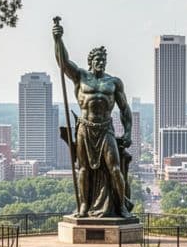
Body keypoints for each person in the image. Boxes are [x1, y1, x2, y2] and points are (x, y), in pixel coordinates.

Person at [53, 17, 134, 219]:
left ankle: (121, 206)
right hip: (85, 128)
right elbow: (63, 63)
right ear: (91, 62)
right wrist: (58, 39)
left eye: (103, 60)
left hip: (105, 128)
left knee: (115, 168)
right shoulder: (81, 76)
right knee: (83, 169)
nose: (100, 62)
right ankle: (83, 206)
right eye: (97, 60)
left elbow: (125, 109)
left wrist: (128, 132)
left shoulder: (114, 83)